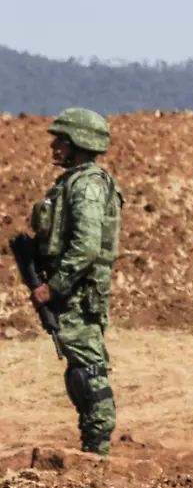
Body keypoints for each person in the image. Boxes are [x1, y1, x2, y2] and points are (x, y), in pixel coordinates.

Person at [29, 108, 124, 454]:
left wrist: (52, 287)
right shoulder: (75, 182)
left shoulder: (87, 186)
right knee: (80, 367)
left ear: (80, 143)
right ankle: (93, 441)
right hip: (74, 292)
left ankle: (98, 445)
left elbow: (86, 247)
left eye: (62, 140)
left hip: (79, 294)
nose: (54, 146)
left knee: (88, 370)